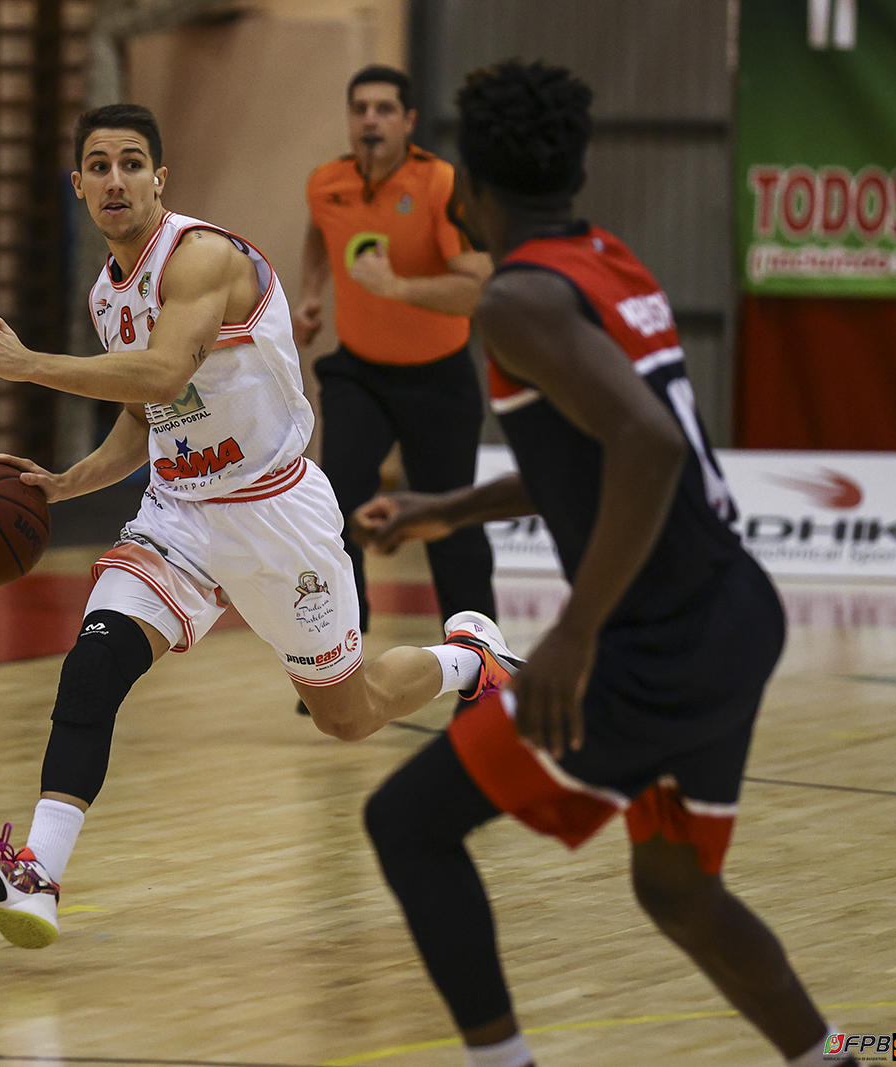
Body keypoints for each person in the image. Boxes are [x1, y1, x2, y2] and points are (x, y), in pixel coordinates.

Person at [352, 62, 862, 1067]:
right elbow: (597, 450)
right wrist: (444, 506)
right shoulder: (605, 260)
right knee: (675, 885)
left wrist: (572, 634)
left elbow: (648, 447)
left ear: (466, 189)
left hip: (657, 638)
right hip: (731, 614)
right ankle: (827, 1056)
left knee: (406, 822)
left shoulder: (514, 301)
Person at [0, 103, 522, 951]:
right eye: (97, 166)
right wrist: (66, 484)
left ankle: (470, 658)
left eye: (132, 163)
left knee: (347, 717)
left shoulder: (202, 256)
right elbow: (147, 415)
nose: (115, 180)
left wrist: (30, 366)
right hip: (179, 517)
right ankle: (39, 872)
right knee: (93, 666)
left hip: (279, 512)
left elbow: (169, 366)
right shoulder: (109, 294)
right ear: (77, 185)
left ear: (160, 179)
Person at [295, 65, 497, 717]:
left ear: (409, 122)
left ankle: (481, 667)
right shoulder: (326, 182)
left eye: (385, 109)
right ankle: (341, 663)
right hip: (360, 370)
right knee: (335, 502)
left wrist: (400, 289)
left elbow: (480, 283)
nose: (371, 120)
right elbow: (317, 230)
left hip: (437, 377)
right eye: (360, 108)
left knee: (450, 523)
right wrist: (311, 292)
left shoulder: (440, 184)